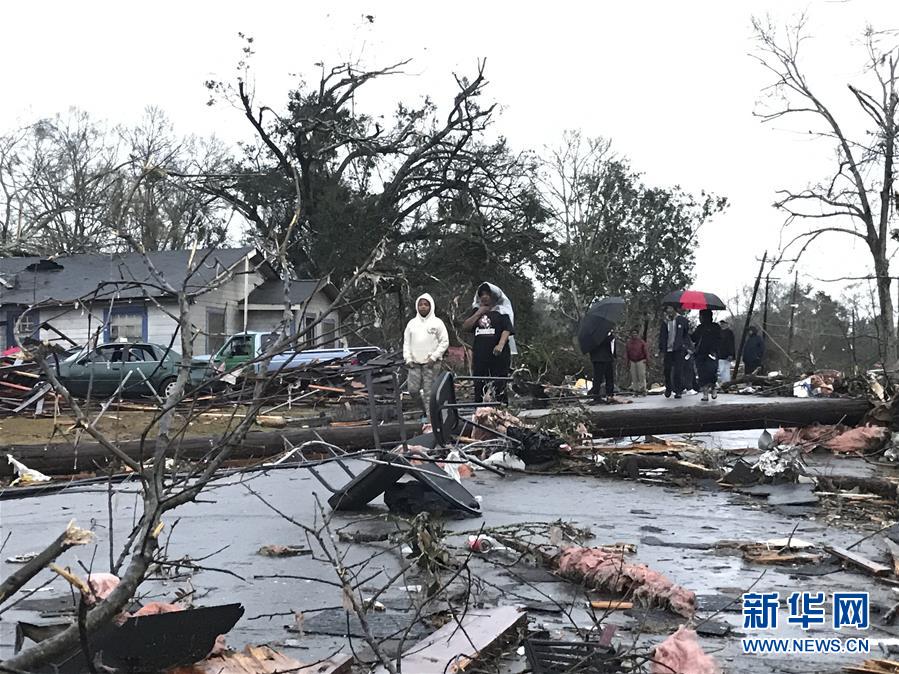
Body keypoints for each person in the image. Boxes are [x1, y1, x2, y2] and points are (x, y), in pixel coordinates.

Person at [462, 284, 514, 403]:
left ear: (493, 296)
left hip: (498, 355)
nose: (485, 297)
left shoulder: (502, 311)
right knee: (479, 384)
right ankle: (480, 413)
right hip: (480, 354)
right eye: (482, 295)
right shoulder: (476, 311)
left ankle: (501, 411)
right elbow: (466, 327)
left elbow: (507, 329)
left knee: (499, 385)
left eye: (487, 294)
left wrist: (500, 345)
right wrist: (479, 313)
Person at [403, 293, 449, 419]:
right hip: (414, 363)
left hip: (431, 363)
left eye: (426, 304)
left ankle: (431, 420)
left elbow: (444, 342)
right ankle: (425, 409)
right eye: (420, 304)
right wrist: (408, 358)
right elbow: (406, 343)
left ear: (431, 306)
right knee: (413, 390)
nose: (423, 307)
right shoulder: (411, 324)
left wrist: (434, 357)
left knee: (429, 392)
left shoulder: (437, 323)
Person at [658, 306, 691, 399]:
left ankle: (678, 390)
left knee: (678, 371)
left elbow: (686, 334)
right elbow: (662, 336)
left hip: (678, 349)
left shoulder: (682, 320)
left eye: (670, 308)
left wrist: (686, 346)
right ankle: (669, 388)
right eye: (667, 309)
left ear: (674, 309)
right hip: (668, 349)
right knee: (667, 370)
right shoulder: (665, 322)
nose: (668, 311)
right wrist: (661, 348)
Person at [692, 310, 721, 402]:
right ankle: (705, 393)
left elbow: (720, 339)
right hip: (700, 354)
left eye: (701, 316)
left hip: (711, 353)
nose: (699, 318)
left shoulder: (715, 327)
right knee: (702, 374)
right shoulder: (699, 328)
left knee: (711, 373)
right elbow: (694, 338)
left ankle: (713, 389)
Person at [589, 330, 616, 403]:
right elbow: (601, 342)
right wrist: (610, 337)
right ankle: (596, 395)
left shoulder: (607, 334)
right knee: (598, 378)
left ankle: (610, 394)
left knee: (609, 377)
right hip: (599, 359)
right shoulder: (595, 334)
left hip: (608, 358)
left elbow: (611, 346)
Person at [625, 328, 648, 395]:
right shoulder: (629, 343)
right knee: (634, 376)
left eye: (635, 333)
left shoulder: (641, 342)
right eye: (633, 333)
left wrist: (647, 360)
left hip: (641, 360)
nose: (634, 335)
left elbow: (645, 351)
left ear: (638, 334)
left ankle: (643, 389)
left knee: (641, 375)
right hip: (632, 361)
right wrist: (627, 362)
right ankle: (636, 390)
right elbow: (627, 353)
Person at [718, 320, 736, 385]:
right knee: (721, 370)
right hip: (720, 354)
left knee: (726, 370)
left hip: (727, 354)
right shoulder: (719, 332)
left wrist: (731, 354)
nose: (722, 325)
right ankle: (724, 383)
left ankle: (726, 383)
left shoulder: (729, 332)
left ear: (726, 324)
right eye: (721, 324)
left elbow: (731, 344)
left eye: (723, 323)